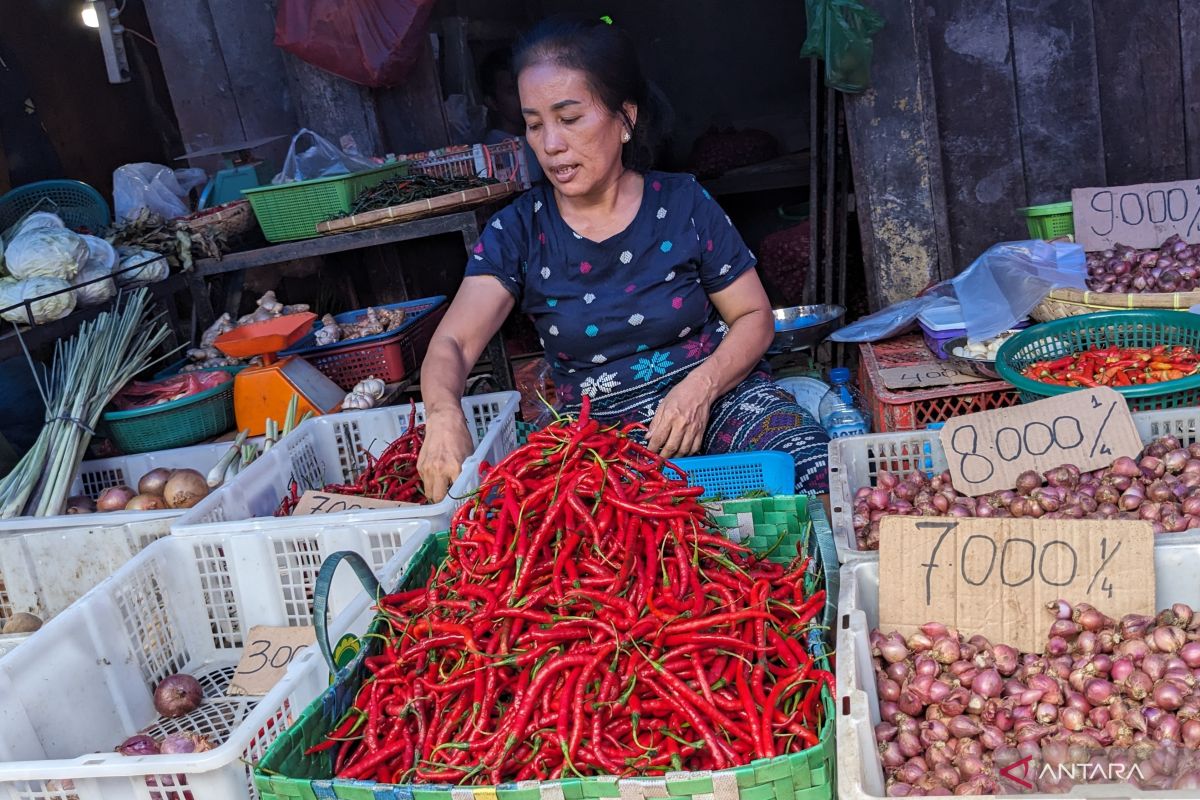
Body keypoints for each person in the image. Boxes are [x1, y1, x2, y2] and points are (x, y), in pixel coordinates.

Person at [419, 16, 829, 501]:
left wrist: (699, 391)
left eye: (569, 118)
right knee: (565, 537)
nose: (550, 144)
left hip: (718, 399)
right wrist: (443, 413)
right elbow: (453, 343)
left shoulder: (683, 204)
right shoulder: (518, 231)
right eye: (534, 124)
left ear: (626, 118)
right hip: (597, 440)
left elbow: (753, 317)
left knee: (812, 469)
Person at [478, 48, 544, 184]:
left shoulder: (544, 134)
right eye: (512, 90)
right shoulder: (493, 150)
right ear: (492, 102)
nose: (522, 96)